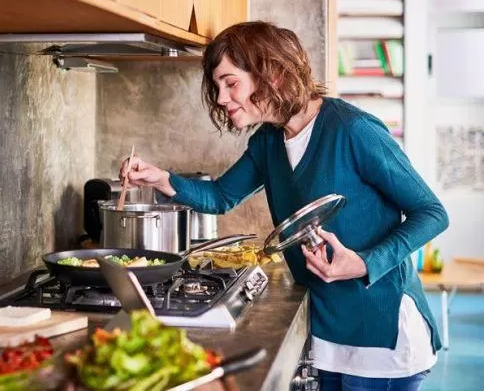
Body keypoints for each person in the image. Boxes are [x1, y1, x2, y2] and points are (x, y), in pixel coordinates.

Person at [120, 21, 448, 391]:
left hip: (382, 334)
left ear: (272, 73)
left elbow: (432, 213)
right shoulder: (268, 142)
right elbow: (221, 197)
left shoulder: (353, 130)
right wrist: (161, 179)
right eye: (217, 87)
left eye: (230, 83)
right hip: (326, 331)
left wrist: (364, 262)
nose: (222, 98)